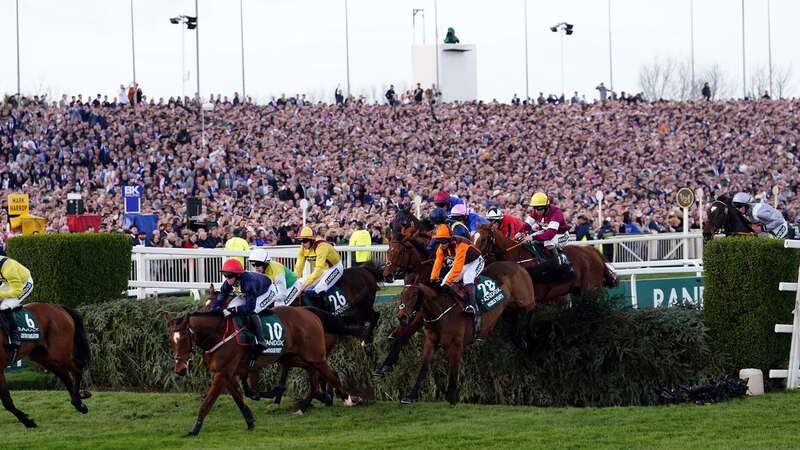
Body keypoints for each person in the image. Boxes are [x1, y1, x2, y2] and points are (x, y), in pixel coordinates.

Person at [210, 259, 276, 351]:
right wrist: (214, 309)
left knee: (252, 311)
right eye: (225, 276)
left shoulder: (249, 282)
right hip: (249, 292)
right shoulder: (228, 282)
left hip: (267, 291)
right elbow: (220, 298)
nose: (228, 279)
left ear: (238, 275)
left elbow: (249, 307)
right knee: (230, 307)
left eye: (230, 276)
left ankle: (261, 340)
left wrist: (231, 310)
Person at [429, 224, 484, 333]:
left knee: (467, 277)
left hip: (476, 261)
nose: (442, 245)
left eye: (444, 241)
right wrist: (433, 279)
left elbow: (457, 268)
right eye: (439, 242)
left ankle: (472, 306)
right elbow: (437, 263)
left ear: (450, 239)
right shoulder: (441, 248)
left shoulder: (461, 244)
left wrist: (447, 283)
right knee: (444, 282)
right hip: (463, 263)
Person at [517, 192, 572, 271]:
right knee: (527, 241)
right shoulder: (535, 211)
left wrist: (532, 237)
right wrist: (520, 232)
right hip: (547, 232)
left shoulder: (556, 213)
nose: (537, 211)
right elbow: (527, 225)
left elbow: (550, 235)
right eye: (535, 208)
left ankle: (559, 263)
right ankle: (539, 260)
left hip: (561, 235)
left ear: (546, 207)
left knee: (548, 243)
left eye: (539, 208)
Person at [293, 227, 344, 301]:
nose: (302, 244)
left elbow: (319, 268)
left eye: (304, 240)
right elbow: (298, 267)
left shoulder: (321, 246)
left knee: (319, 289)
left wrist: (305, 285)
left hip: (334, 267)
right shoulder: (302, 249)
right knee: (298, 284)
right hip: (322, 270)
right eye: (299, 241)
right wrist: (293, 282)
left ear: (312, 240)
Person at [0, 256, 34, 364]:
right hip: (8, 283)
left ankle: (15, 336)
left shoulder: (8, 268)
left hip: (23, 284)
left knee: (4, 306)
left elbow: (17, 292)